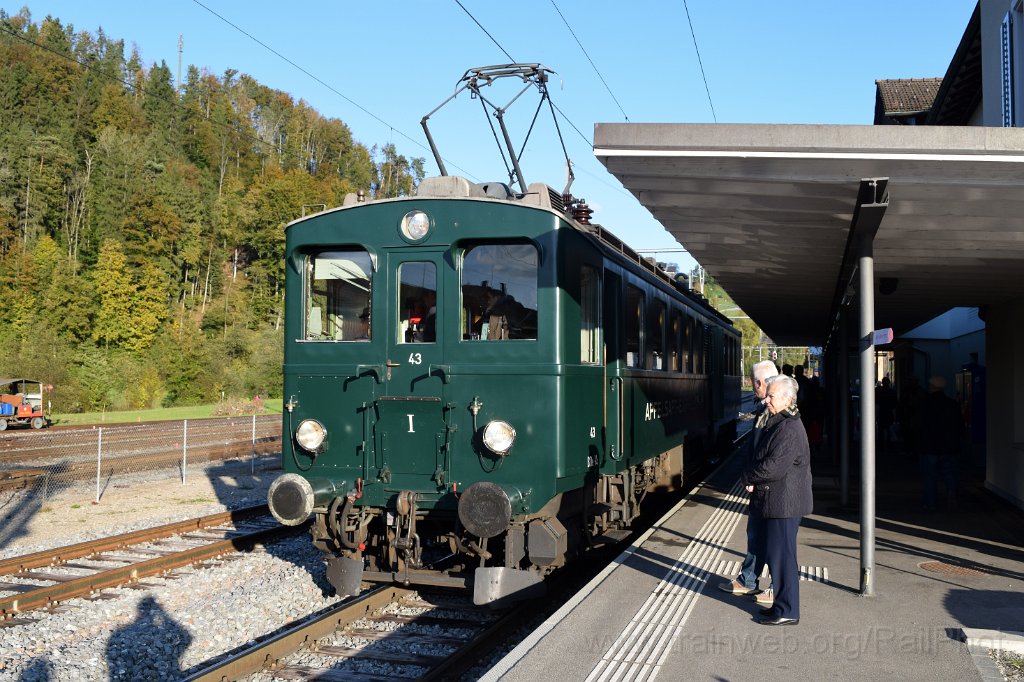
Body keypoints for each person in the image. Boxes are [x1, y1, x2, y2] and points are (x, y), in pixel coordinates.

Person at [742, 374, 813, 626]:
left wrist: (749, 475)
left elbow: (774, 466)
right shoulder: (781, 421)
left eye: (771, 396)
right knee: (777, 556)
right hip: (777, 500)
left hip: (785, 503)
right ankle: (781, 606)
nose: (766, 400)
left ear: (787, 398)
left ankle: (788, 611)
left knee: (782, 558)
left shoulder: (789, 427)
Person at [718, 360, 778, 605]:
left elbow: (775, 456)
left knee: (776, 540)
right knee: (755, 534)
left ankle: (777, 586)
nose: (754, 388)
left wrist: (753, 477)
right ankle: (748, 579)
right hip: (760, 486)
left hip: (774, 489)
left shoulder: (780, 411)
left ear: (760, 383)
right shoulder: (764, 407)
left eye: (755, 383)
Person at [917, 375, 963, 510]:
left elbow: (918, 425)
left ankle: (930, 503)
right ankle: (951, 494)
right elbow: (959, 425)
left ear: (931, 387)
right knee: (949, 473)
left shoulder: (925, 404)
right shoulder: (952, 404)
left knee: (930, 476)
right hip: (949, 446)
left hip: (929, 446)